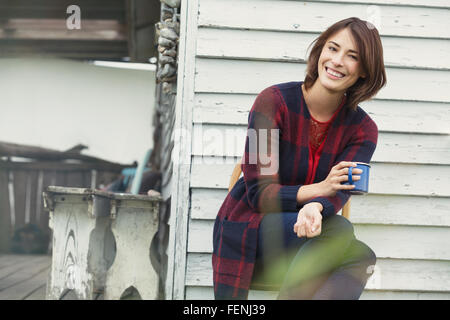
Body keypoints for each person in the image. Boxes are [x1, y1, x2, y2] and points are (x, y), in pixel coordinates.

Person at [212, 17, 387, 300]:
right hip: (250, 229)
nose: (338, 61)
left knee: (361, 257)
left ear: (365, 71)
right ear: (320, 52)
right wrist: (318, 192)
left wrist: (316, 207)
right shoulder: (272, 102)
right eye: (333, 48)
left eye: (352, 56)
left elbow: (340, 191)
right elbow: (259, 194)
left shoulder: (363, 130)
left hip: (312, 235)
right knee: (339, 228)